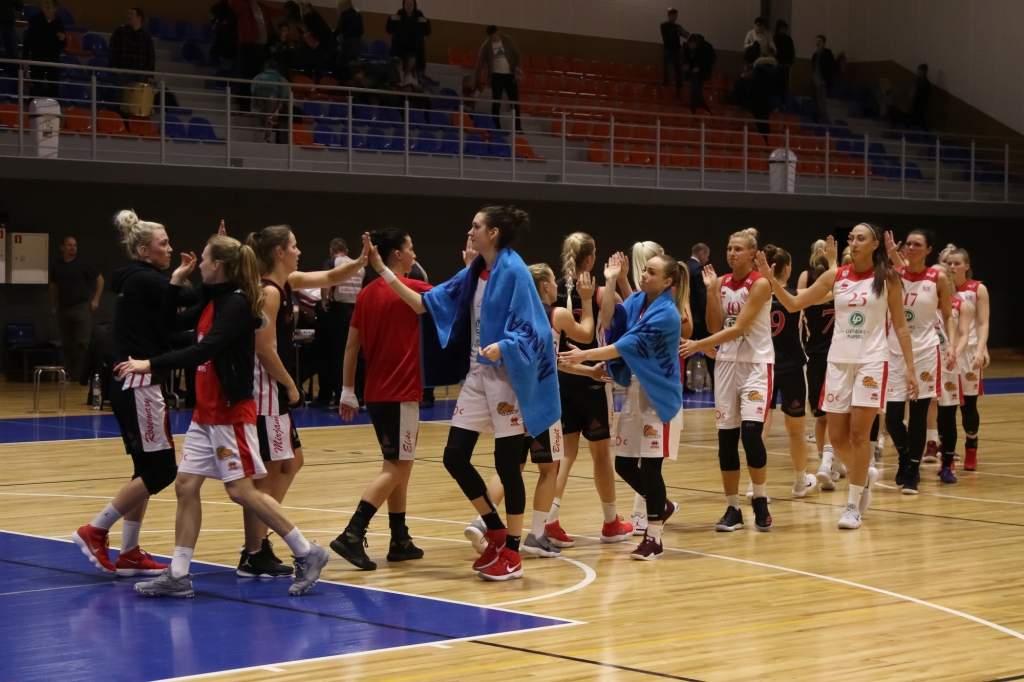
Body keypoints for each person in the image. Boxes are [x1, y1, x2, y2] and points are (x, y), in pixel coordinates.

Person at [114, 234, 329, 598]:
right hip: (205, 413)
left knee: (240, 490)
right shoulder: (212, 299)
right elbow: (170, 330)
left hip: (230, 414)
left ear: (219, 266)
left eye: (205, 261)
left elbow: (204, 349)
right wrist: (175, 283)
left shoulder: (238, 304)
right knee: (185, 485)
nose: (199, 265)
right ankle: (179, 574)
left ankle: (308, 552)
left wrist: (150, 363)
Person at [364, 205, 561, 582]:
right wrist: (383, 272)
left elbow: (534, 329)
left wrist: (503, 345)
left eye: (476, 226)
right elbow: (425, 303)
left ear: (494, 234)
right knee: (454, 456)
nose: (470, 231)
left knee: (508, 465)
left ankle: (514, 552)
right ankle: (496, 529)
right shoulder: (473, 272)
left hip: (508, 378)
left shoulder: (516, 271)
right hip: (477, 376)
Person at [756, 225, 917, 530]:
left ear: (873, 245)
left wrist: (909, 368)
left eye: (861, 238)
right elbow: (793, 304)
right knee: (837, 437)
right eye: (852, 238)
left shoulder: (888, 278)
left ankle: (853, 505)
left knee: (859, 434)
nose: (854, 243)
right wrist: (771, 280)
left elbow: (901, 325)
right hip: (838, 363)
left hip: (871, 362)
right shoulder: (835, 276)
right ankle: (862, 472)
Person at [238, 225, 367, 578]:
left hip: (271, 392)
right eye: (293, 246)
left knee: (291, 462)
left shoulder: (286, 282)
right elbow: (263, 348)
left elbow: (329, 275)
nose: (299, 251)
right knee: (266, 475)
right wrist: (291, 385)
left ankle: (257, 543)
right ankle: (254, 551)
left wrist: (360, 261)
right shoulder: (268, 292)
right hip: (265, 391)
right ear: (279, 252)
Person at [559, 253, 687, 560]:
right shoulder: (639, 301)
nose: (645, 276)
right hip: (634, 389)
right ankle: (663, 505)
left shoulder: (667, 313)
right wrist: (612, 280)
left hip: (659, 399)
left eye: (652, 273)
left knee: (651, 468)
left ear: (667, 281)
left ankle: (654, 537)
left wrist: (586, 356)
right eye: (645, 271)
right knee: (625, 464)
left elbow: (624, 345)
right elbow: (607, 321)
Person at [72, 211, 177, 578]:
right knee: (163, 470)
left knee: (144, 470)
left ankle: (130, 551)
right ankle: (96, 530)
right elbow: (190, 302)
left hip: (133, 383)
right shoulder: (148, 281)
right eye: (164, 243)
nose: (171, 249)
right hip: (139, 386)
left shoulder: (138, 279)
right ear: (145, 249)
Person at [465, 263, 591, 559]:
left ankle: (482, 521)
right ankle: (536, 534)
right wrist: (586, 298)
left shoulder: (515, 318)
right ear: (546, 286)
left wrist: (588, 372)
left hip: (514, 400)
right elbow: (585, 334)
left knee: (513, 467)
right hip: (543, 402)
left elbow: (551, 358)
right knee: (550, 469)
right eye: (552, 282)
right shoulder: (554, 314)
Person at [325, 228, 429, 570]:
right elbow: (451, 298)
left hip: (377, 394)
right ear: (396, 254)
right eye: (410, 248)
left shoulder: (366, 295)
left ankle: (399, 538)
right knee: (396, 467)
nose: (414, 254)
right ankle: (352, 533)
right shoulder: (413, 289)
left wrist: (347, 390)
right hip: (401, 393)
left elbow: (351, 346)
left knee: (401, 465)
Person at [680, 228, 775, 532]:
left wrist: (697, 344)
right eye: (729, 248)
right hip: (726, 365)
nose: (732, 253)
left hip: (756, 365)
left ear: (752, 253)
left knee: (750, 434)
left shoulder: (760, 284)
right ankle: (732, 507)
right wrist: (709, 292)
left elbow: (740, 328)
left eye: (738, 249)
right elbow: (714, 325)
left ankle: (759, 498)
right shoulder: (719, 283)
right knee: (726, 440)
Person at [543, 233, 633, 550]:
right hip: (593, 378)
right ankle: (611, 522)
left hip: (562, 378)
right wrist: (613, 282)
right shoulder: (594, 295)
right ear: (592, 260)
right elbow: (608, 324)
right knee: (601, 457)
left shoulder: (553, 297)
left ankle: (549, 519)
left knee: (565, 455)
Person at [882, 229, 957, 494]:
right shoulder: (895, 275)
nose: (911, 247)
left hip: (926, 351)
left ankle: (912, 469)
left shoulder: (937, 278)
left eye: (917, 244)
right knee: (891, 418)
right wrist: (891, 253)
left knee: (918, 416)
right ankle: (904, 454)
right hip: (894, 351)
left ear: (928, 250)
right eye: (909, 243)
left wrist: (951, 345)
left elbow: (947, 315)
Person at [762, 244, 818, 498]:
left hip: (762, 366)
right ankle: (799, 481)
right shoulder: (796, 295)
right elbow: (831, 290)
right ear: (787, 269)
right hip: (791, 367)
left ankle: (755, 485)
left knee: (759, 427)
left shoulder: (755, 296)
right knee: (796, 430)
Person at [798, 239, 840, 488]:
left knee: (827, 414)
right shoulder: (820, 287)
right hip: (818, 354)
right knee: (824, 413)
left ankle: (831, 460)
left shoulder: (841, 289)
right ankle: (828, 461)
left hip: (832, 355)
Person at [944, 245, 990, 471]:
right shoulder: (941, 288)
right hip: (946, 353)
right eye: (949, 263)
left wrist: (982, 349)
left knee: (968, 406)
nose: (952, 266)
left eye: (957, 263)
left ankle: (971, 447)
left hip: (969, 351)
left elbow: (983, 322)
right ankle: (948, 455)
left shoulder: (977, 289)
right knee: (947, 407)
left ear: (966, 266)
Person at [934, 249, 971, 482]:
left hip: (948, 363)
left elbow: (964, 334)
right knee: (920, 414)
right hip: (923, 361)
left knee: (947, 416)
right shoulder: (924, 305)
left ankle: (948, 463)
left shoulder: (961, 304)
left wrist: (954, 352)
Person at [50, 235, 104, 383]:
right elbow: (54, 286)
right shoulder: (57, 265)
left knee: (82, 342)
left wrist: (95, 299)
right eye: (69, 245)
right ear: (62, 248)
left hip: (81, 307)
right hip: (64, 308)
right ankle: (70, 374)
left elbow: (100, 279)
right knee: (67, 343)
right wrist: (54, 304)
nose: (72, 248)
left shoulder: (83, 264)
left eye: (74, 245)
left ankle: (83, 375)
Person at [318, 238, 363, 408]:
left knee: (339, 354)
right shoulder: (357, 265)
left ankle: (339, 396)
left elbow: (327, 282)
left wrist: (324, 301)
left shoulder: (332, 262)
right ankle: (359, 395)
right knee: (357, 354)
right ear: (346, 250)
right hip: (356, 310)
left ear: (332, 250)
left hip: (339, 312)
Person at [475, 25, 522, 132]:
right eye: (492, 36)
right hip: (496, 76)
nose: (495, 37)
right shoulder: (486, 46)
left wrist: (518, 69)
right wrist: (477, 80)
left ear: (498, 32)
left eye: (496, 35)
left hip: (509, 75)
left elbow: (517, 54)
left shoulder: (508, 40)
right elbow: (480, 63)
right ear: (489, 36)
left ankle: (518, 127)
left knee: (514, 101)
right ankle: (496, 126)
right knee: (496, 102)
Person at [22, 0, 65, 98]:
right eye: (45, 6)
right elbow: (27, 42)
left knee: (53, 86)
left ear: (55, 9)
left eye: (49, 7)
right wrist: (25, 59)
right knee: (36, 86)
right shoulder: (35, 20)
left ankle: (54, 107)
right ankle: (33, 108)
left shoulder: (59, 23)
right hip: (38, 58)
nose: (46, 9)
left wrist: (62, 39)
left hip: (53, 60)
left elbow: (63, 44)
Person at [386, 0, 430, 79]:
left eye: (411, 4)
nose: (408, 6)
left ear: (414, 5)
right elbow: (389, 29)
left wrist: (426, 21)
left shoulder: (419, 15)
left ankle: (411, 79)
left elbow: (427, 31)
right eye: (407, 4)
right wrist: (390, 19)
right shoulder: (399, 14)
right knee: (399, 69)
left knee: (412, 68)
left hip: (414, 48)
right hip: (400, 48)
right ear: (403, 5)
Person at [109, 7, 156, 74]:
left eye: (131, 14)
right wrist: (113, 66)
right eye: (128, 14)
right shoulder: (120, 31)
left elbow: (150, 56)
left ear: (139, 18)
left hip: (140, 72)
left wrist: (150, 73)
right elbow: (113, 49)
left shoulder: (146, 36)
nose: (128, 16)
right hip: (122, 70)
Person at [682, 33, 715, 114]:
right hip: (695, 69)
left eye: (692, 45)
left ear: (696, 43)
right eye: (690, 45)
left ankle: (696, 103)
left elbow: (709, 60)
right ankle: (697, 103)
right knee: (695, 84)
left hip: (705, 68)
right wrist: (686, 65)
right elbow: (687, 58)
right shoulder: (687, 47)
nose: (691, 47)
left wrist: (700, 67)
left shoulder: (705, 48)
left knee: (696, 84)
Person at [659, 8, 687, 97]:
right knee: (667, 69)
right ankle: (665, 86)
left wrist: (681, 31)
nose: (675, 17)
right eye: (673, 15)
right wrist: (678, 30)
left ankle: (678, 90)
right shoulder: (664, 25)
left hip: (676, 50)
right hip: (668, 50)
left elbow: (686, 35)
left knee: (678, 69)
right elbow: (668, 35)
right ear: (669, 15)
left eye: (676, 16)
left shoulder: (677, 27)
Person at [334, 0, 363, 79]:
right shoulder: (358, 14)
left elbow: (339, 29)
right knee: (353, 67)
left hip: (347, 43)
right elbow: (361, 30)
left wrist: (333, 35)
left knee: (341, 65)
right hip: (357, 43)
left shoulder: (344, 15)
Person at [811, 35, 836, 124]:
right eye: (817, 41)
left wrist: (827, 79)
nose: (817, 43)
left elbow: (831, 67)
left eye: (819, 41)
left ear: (824, 43)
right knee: (818, 102)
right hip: (816, 81)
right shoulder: (815, 55)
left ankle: (825, 120)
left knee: (824, 102)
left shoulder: (828, 53)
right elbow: (813, 67)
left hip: (824, 80)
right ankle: (820, 119)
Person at [0, 0, 22, 77]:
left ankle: (14, 79)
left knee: (13, 54)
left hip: (8, 23)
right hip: (7, 24)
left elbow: (19, 6)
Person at [773, 20, 794, 99]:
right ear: (779, 29)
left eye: (785, 29)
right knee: (776, 83)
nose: (784, 30)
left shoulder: (788, 39)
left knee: (784, 84)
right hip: (777, 64)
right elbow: (773, 51)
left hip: (786, 65)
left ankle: (783, 101)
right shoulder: (775, 38)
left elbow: (791, 51)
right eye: (782, 28)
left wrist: (790, 62)